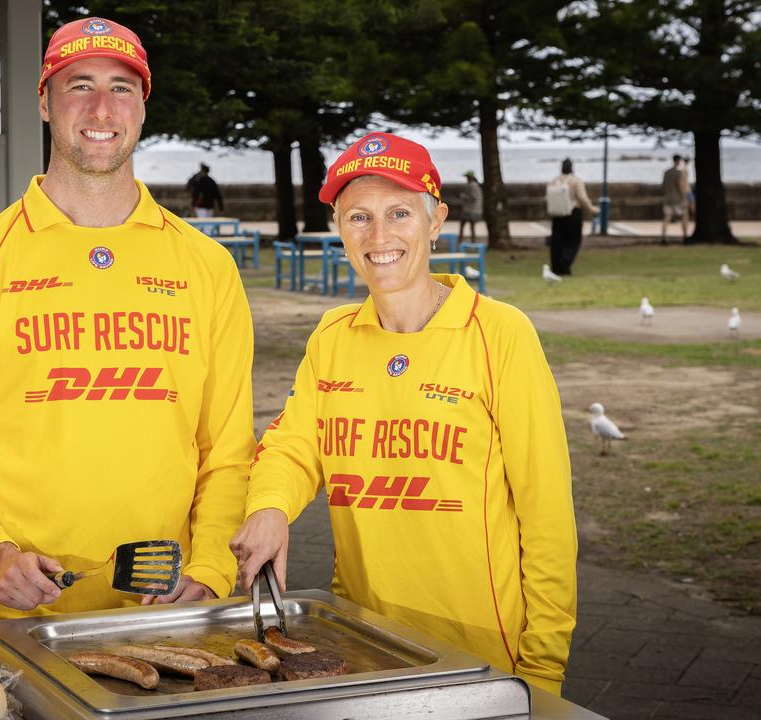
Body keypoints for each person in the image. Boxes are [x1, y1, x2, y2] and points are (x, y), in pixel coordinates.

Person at [0, 17, 254, 620]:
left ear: (143, 109)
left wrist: (210, 571)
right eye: (80, 85)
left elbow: (227, 452)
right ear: (44, 102)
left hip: (161, 610)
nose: (102, 107)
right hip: (17, 617)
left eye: (122, 88)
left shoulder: (207, 266)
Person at [229, 132, 577, 696]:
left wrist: (542, 669)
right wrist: (270, 507)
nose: (379, 235)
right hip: (363, 638)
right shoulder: (333, 336)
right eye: (358, 217)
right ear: (339, 230)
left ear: (436, 220)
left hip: (482, 651)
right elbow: (292, 445)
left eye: (398, 213)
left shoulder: (500, 333)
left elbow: (548, 517)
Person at [546, 158, 596, 275]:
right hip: (573, 214)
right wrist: (592, 209)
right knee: (573, 241)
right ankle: (565, 264)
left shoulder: (554, 181)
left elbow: (547, 197)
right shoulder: (575, 181)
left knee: (557, 242)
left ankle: (556, 267)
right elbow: (582, 198)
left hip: (557, 215)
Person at [660, 154, 688, 244]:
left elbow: (663, 186)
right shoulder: (679, 173)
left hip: (668, 198)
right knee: (684, 216)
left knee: (666, 218)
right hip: (678, 199)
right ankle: (685, 237)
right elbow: (681, 186)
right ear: (679, 161)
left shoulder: (666, 172)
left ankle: (663, 238)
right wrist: (684, 197)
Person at [457, 170, 482, 243]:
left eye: (467, 177)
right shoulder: (476, 185)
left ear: (470, 177)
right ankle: (473, 241)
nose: (466, 179)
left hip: (470, 210)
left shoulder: (471, 185)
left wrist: (463, 196)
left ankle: (460, 241)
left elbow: (473, 198)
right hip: (476, 210)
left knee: (462, 225)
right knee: (472, 227)